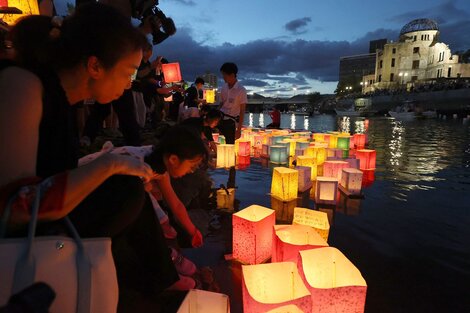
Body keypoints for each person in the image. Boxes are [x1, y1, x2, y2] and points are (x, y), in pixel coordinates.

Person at [0, 4, 193, 309]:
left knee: (128, 188)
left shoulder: (63, 100)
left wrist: (114, 169)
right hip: (18, 238)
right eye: (127, 72)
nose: (130, 83)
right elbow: (14, 209)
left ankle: (155, 279)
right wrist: (109, 163)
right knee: (123, 189)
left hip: (46, 216)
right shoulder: (22, 85)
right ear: (94, 66)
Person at [218, 62, 247, 144]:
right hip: (221, 118)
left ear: (232, 75)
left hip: (231, 121)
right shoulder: (224, 87)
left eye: (224, 75)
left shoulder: (241, 90)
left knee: (230, 144)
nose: (223, 77)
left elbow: (242, 111)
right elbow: (221, 104)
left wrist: (239, 129)